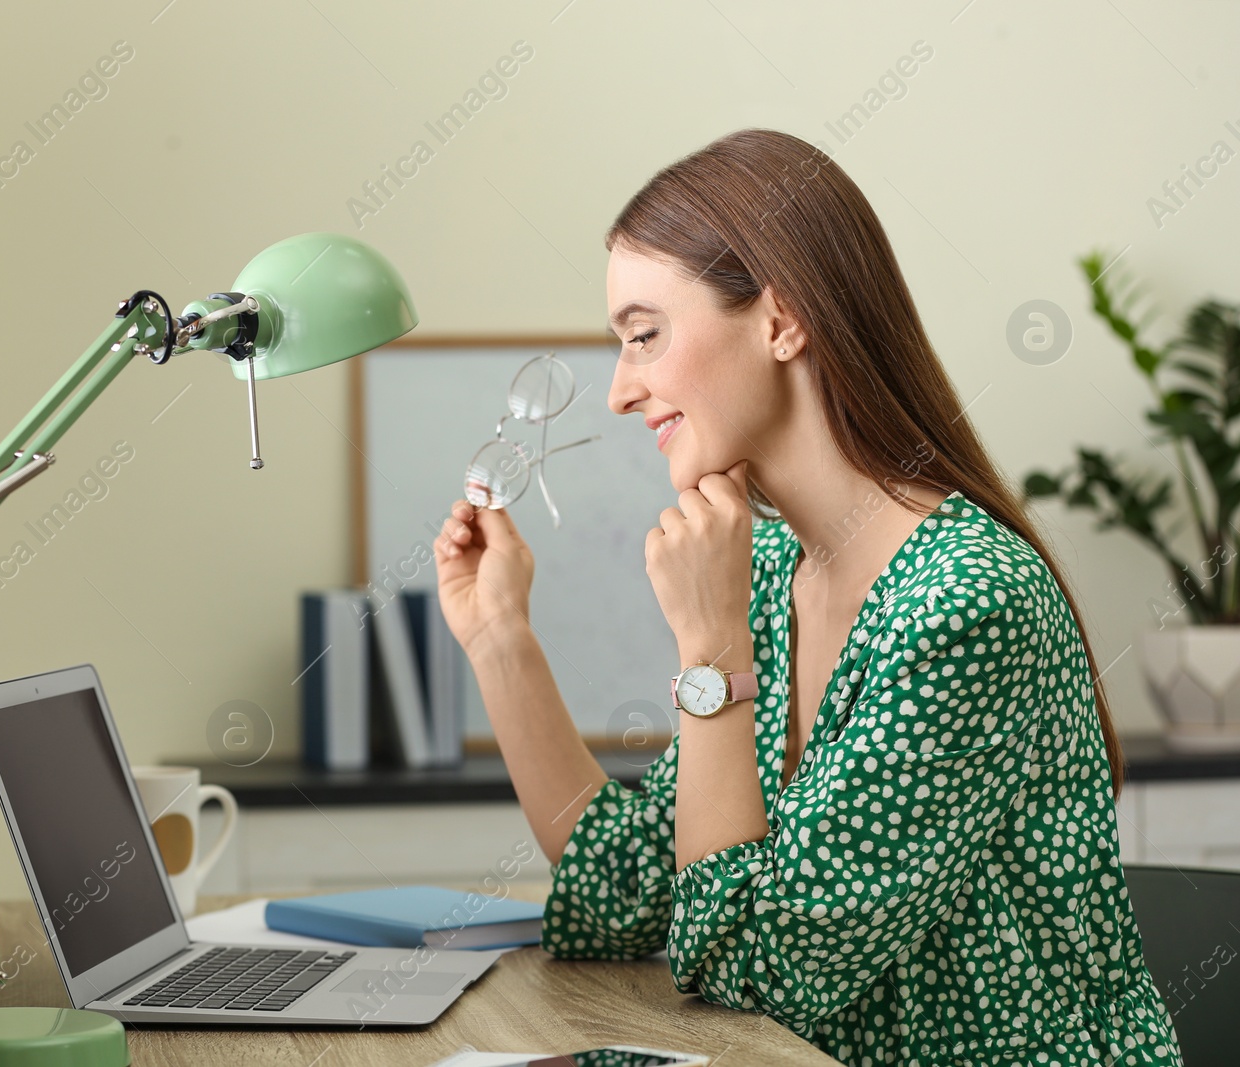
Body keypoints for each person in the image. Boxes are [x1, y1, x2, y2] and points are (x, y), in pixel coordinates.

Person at [432, 128, 1183, 1067]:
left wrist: (713, 657)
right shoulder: (780, 568)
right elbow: (620, 895)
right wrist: (501, 636)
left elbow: (757, 978)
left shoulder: (965, 604)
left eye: (644, 336)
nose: (622, 391)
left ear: (782, 322)